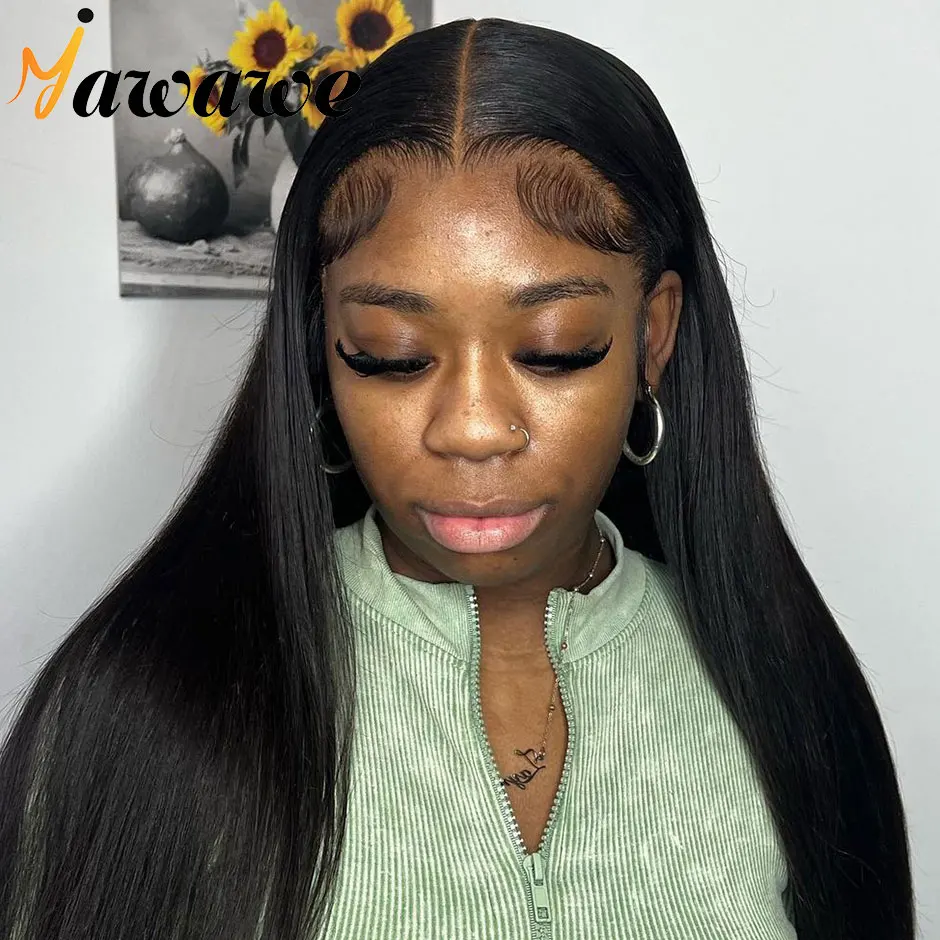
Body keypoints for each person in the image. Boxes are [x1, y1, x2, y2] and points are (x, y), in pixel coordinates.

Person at [0, 16, 914, 940]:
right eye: (391, 355)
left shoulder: (782, 687)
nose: (473, 430)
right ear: (323, 348)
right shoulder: (139, 708)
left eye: (557, 349)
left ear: (653, 335)